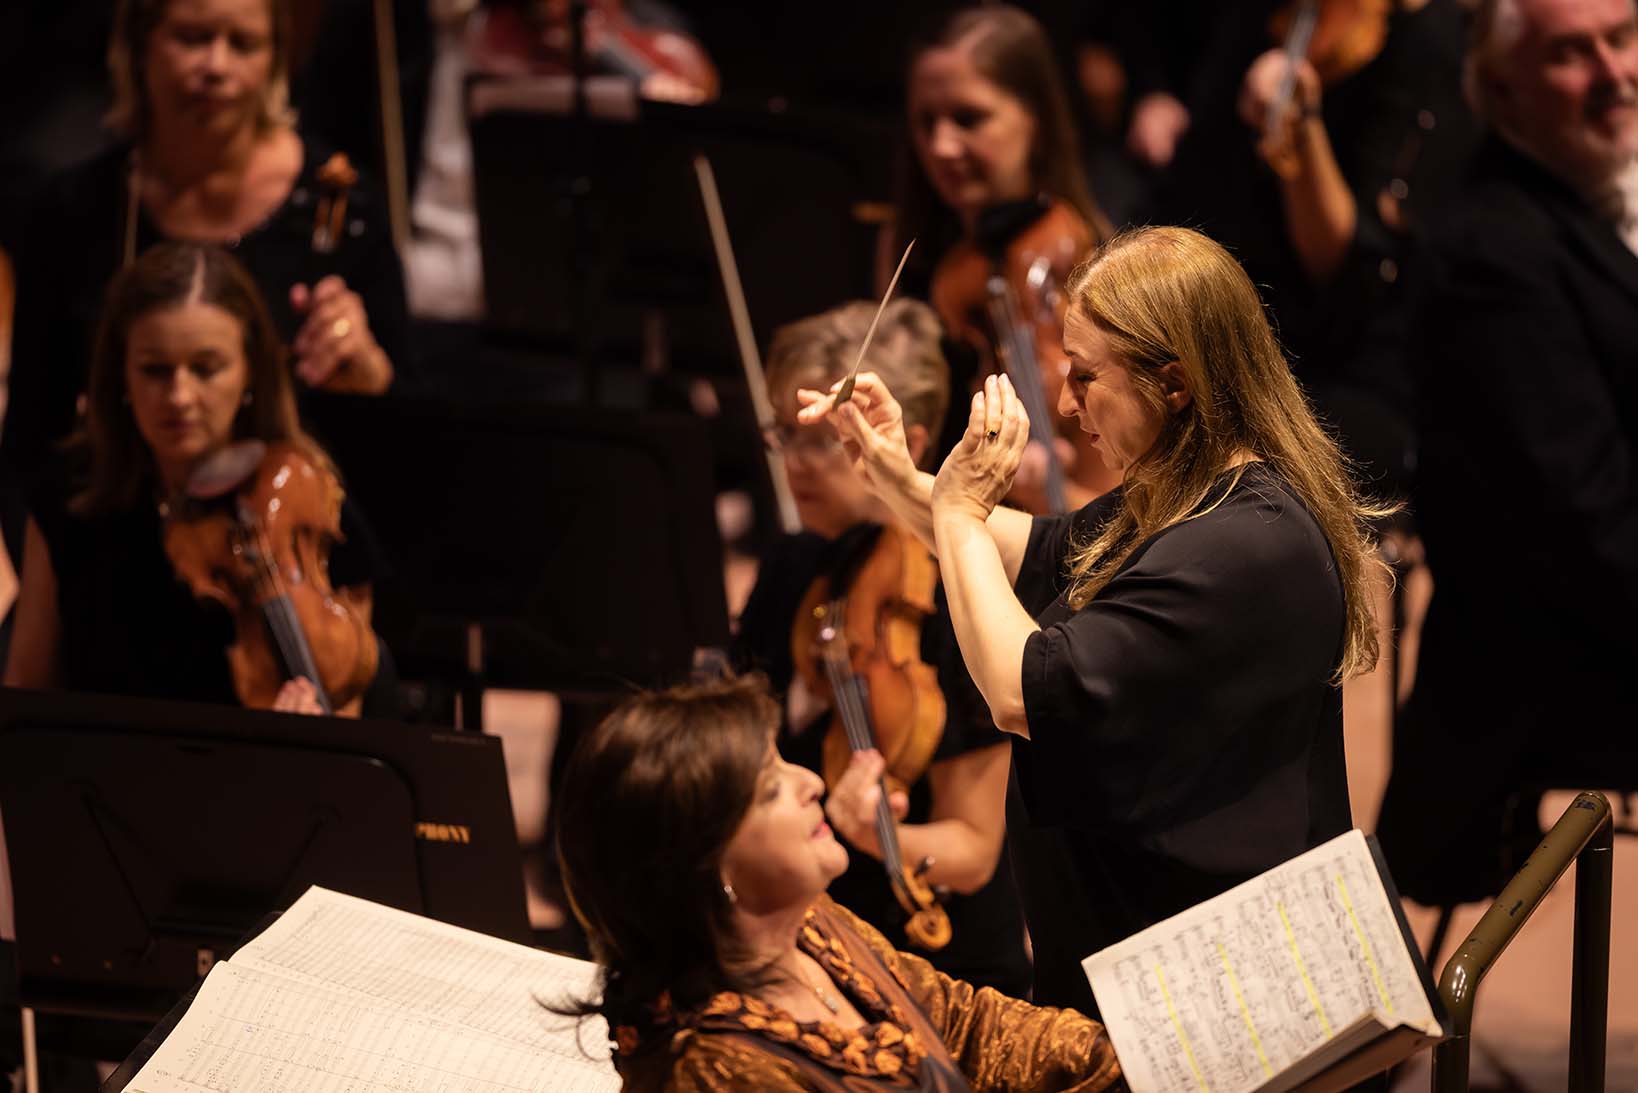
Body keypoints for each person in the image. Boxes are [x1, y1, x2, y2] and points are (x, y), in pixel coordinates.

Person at [801, 225, 1388, 1013]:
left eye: (1084, 377)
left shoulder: (1242, 543)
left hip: (1209, 986)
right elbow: (1038, 551)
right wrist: (894, 476)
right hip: (1147, 954)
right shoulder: (1187, 485)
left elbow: (1020, 689)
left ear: (1175, 383)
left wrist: (962, 514)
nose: (1067, 405)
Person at [554, 672, 1125, 1091]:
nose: (808, 780)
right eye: (769, 789)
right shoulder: (718, 1070)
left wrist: (1127, 1058)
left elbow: (964, 1024)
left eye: (784, 762)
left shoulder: (812, 926)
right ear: (708, 864)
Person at [1377, 0, 1638, 904]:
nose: (1613, 72)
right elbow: (1589, 527)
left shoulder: (1597, 179)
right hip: (1569, 663)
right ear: (1503, 91)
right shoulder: (1494, 250)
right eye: (1573, 53)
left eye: (1622, 37)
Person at [733, 299, 1029, 998]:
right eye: (787, 434)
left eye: (821, 440)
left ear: (908, 443)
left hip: (935, 971)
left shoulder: (960, 598)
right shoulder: (792, 564)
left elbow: (975, 849)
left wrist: (876, 837)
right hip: (806, 938)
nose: (795, 464)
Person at [3, 0, 411, 481]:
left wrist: (370, 377)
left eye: (243, 43)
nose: (217, 67)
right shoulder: (72, 212)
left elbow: (406, 431)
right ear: (138, 45)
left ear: (275, 59)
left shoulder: (343, 207)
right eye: (192, 38)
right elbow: (30, 436)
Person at [3, 241, 387, 717]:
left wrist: (310, 735)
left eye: (207, 369)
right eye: (155, 370)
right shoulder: (69, 498)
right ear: (120, 375)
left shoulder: (313, 502)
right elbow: (27, 697)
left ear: (250, 370)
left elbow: (350, 718)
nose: (180, 395)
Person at [893, 4, 1119, 510]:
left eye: (969, 118)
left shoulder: (1080, 259)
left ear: (1034, 118)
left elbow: (1111, 504)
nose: (942, 146)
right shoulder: (919, 256)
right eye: (925, 122)